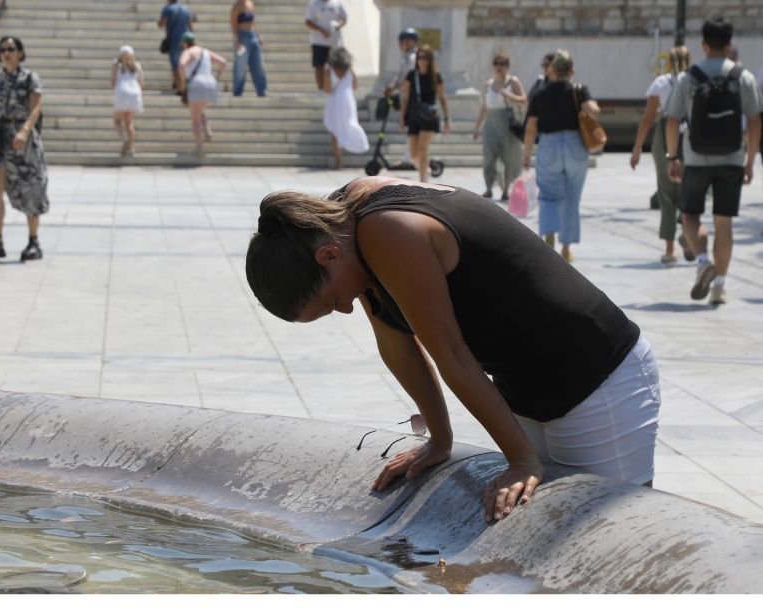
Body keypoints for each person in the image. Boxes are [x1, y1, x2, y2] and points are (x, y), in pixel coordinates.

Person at [245, 176, 661, 523]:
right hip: (530, 388)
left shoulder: (385, 230)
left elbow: (451, 353)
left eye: (333, 301)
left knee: (611, 530)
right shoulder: (345, 231)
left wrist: (520, 461)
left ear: (328, 254)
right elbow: (397, 345)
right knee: (546, 533)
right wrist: (439, 440)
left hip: (598, 379)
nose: (347, 307)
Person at [664, 18, 762, 305]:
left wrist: (672, 156)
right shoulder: (743, 77)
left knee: (690, 215)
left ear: (704, 45)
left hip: (695, 158)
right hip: (732, 157)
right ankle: (719, 286)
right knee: (724, 223)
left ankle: (703, 261)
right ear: (729, 44)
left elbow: (671, 121)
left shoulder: (688, 77)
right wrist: (750, 161)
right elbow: (756, 122)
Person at [629, 46, 705, 265]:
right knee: (689, 189)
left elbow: (647, 118)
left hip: (665, 136)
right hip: (692, 136)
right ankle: (689, 239)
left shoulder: (661, 83)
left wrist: (637, 149)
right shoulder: (696, 81)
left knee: (667, 192)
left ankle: (670, 249)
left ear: (669, 62)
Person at [522, 49, 599, 263]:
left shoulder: (540, 93)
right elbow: (594, 110)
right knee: (572, 198)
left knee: (547, 195)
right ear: (572, 70)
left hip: (549, 145)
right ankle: (566, 248)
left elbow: (530, 128)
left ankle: (548, 236)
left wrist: (527, 154)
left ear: (552, 70)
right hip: (574, 145)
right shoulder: (579, 90)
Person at [0, 37, 49, 262]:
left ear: (20, 53)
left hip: (24, 141)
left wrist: (25, 130)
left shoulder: (30, 78)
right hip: (2, 140)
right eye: (3, 49)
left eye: (11, 49)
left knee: (31, 187)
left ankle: (33, 241)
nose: (6, 52)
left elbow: (36, 107)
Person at [473, 52, 526, 201]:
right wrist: (477, 127)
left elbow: (523, 99)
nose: (499, 67)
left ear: (508, 66)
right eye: (497, 63)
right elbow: (484, 107)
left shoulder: (513, 81)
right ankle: (489, 187)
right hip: (491, 123)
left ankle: (506, 189)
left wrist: (507, 94)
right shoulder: (488, 84)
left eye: (503, 64)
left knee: (509, 158)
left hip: (507, 123)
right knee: (489, 157)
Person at [399, 45, 450, 183]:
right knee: (414, 154)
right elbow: (405, 97)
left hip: (429, 116)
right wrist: (402, 116)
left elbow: (442, 97)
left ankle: (423, 183)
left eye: (425, 58)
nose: (422, 61)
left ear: (430, 60)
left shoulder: (435, 76)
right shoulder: (411, 76)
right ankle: (427, 167)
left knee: (422, 149)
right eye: (420, 57)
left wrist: (446, 119)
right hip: (414, 116)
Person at [178, 32, 226, 157]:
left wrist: (184, 81)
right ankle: (208, 129)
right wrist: (217, 77)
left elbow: (182, 65)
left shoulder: (187, 52)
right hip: (211, 83)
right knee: (199, 110)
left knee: (195, 120)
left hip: (196, 83)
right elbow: (223, 62)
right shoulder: (205, 51)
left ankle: (199, 149)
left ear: (185, 43)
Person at [322, 47, 369, 169]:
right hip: (347, 101)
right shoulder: (348, 69)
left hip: (336, 102)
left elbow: (327, 90)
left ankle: (339, 160)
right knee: (346, 125)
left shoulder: (330, 70)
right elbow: (355, 86)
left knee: (335, 131)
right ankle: (343, 156)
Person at [384, 28, 419, 167]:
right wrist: (392, 87)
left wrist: (397, 90)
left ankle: (410, 158)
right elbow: (399, 76)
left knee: (411, 127)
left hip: (411, 97)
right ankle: (409, 157)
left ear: (409, 41)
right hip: (406, 95)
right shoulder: (406, 57)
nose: (400, 44)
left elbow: (408, 79)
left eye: (403, 41)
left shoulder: (413, 58)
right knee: (410, 128)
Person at [111, 45, 145, 158]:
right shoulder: (137, 65)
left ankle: (124, 140)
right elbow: (141, 82)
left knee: (117, 120)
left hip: (122, 91)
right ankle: (131, 148)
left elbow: (113, 81)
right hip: (134, 92)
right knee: (129, 122)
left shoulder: (116, 64)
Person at [305, 0, 346, 92]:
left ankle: (336, 87)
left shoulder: (337, 3)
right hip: (318, 42)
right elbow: (308, 22)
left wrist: (337, 26)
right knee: (319, 66)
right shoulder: (313, 4)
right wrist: (321, 30)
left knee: (336, 65)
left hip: (335, 42)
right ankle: (320, 88)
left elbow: (344, 18)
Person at [230, 0, 267, 97]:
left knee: (258, 65)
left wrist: (258, 35)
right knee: (240, 67)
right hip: (242, 37)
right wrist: (237, 40)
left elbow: (253, 22)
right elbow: (233, 25)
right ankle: (238, 92)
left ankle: (261, 91)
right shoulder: (236, 6)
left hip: (252, 36)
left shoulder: (250, 3)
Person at [158, 0, 194, 93]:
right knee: (185, 63)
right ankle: (183, 85)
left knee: (176, 65)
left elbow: (161, 24)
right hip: (186, 40)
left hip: (174, 40)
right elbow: (190, 25)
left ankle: (180, 89)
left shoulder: (168, 9)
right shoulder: (186, 9)